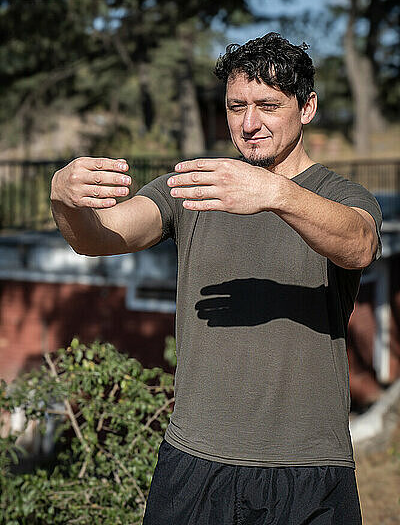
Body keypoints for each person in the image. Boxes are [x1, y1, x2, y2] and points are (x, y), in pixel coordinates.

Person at [50, 32, 382, 524]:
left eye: (268, 105)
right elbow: (98, 239)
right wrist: (63, 199)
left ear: (307, 107)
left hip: (308, 467)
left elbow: (359, 245)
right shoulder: (193, 187)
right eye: (235, 107)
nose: (249, 124)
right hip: (196, 462)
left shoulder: (339, 196)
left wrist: (275, 194)